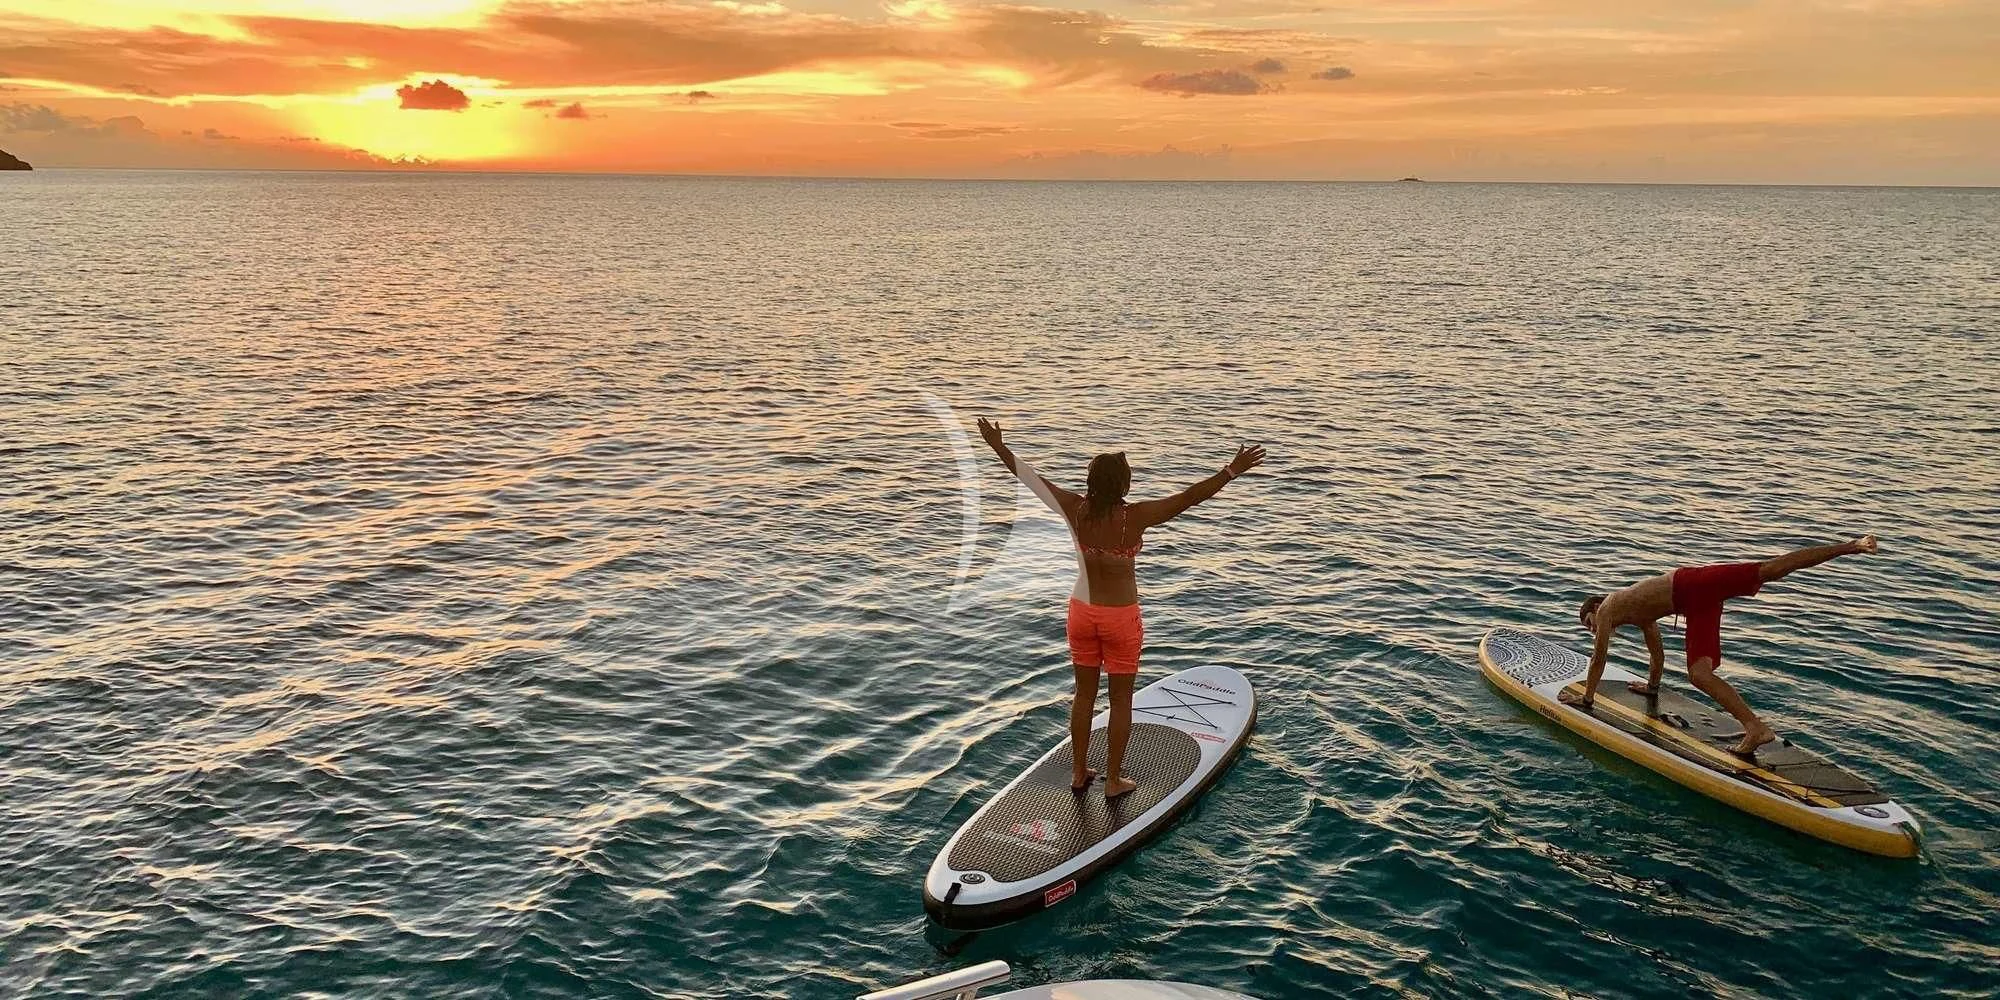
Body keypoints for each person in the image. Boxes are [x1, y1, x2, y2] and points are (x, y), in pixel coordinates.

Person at [976, 417, 1264, 798]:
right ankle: (1113, 780)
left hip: (1081, 612)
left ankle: (1079, 771)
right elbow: (1189, 498)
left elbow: (1031, 480)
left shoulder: (1074, 509)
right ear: (1123, 485)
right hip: (1120, 618)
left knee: (1083, 696)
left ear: (1091, 482)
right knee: (1120, 700)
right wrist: (1230, 471)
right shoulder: (1134, 518)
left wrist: (998, 447)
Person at [1562, 536, 1878, 755]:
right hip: (1695, 605)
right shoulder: (1640, 615)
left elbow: (1598, 659)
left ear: (1596, 607)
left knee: (1769, 570)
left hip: (1692, 583)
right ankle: (1755, 728)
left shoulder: (1608, 607)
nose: (1594, 630)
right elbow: (1657, 654)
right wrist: (1652, 687)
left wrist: (1587, 699)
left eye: (1589, 623)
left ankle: (1852, 546)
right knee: (1699, 674)